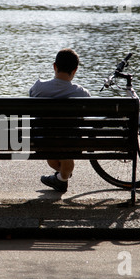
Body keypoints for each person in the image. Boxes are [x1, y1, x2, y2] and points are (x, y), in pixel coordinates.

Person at [29, 48, 90, 192]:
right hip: (72, 142)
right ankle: (62, 178)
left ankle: (61, 178)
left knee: (55, 155)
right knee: (65, 153)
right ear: (75, 70)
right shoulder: (82, 93)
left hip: (43, 141)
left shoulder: (39, 88)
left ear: (54, 66)